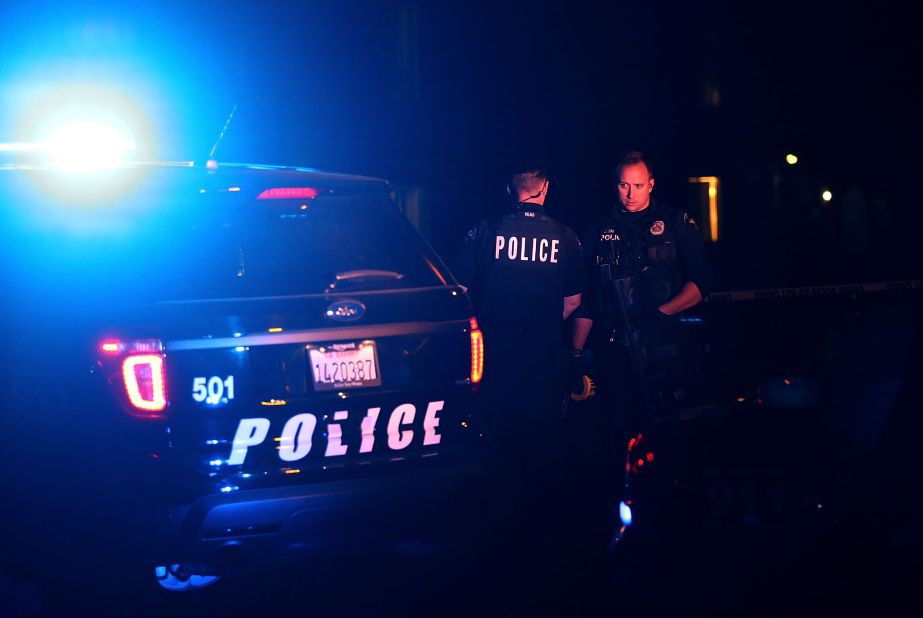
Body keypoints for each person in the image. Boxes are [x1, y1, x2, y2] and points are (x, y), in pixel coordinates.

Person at [571, 151, 713, 436]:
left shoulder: (675, 222)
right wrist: (575, 354)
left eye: (637, 186)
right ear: (616, 185)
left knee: (668, 426)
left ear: (650, 184)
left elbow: (702, 283)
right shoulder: (597, 229)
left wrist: (662, 314)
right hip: (613, 343)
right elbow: (585, 296)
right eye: (624, 185)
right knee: (618, 427)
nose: (630, 194)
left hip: (663, 341)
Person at [455, 162, 586, 446]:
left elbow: (459, 292)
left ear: (509, 190)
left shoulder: (486, 230)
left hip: (495, 349)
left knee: (494, 435)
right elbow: (574, 300)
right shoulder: (565, 236)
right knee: (539, 438)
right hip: (544, 349)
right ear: (546, 187)